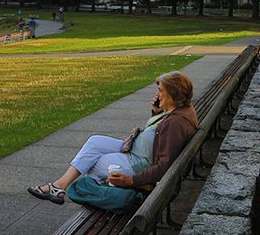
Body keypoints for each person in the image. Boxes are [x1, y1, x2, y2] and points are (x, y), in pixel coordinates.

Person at [28, 71, 197, 204]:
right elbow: (159, 135)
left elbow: (163, 166)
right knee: (95, 141)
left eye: (161, 91)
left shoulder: (176, 123)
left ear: (174, 94)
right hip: (136, 151)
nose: (158, 94)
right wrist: (156, 112)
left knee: (92, 164)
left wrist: (132, 180)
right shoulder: (179, 111)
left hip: (139, 163)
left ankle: (67, 190)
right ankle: (59, 186)